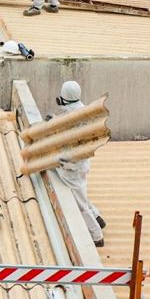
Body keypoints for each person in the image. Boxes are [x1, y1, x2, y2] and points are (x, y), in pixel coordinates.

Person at [53, 80, 107, 247]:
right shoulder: (82, 109)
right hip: (81, 165)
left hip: (72, 168)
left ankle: (96, 235)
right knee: (82, 194)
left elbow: (72, 147)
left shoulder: (73, 117)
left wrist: (59, 160)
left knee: (80, 203)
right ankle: (98, 217)